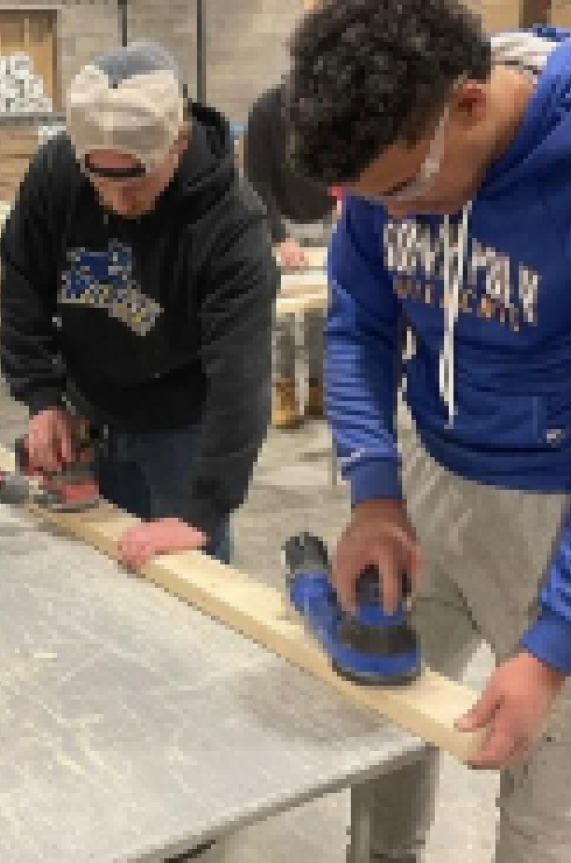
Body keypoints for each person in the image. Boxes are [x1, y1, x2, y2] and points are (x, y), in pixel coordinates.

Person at [285, 3, 571, 861]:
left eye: (404, 190)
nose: (394, 218)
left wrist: (552, 644)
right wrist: (375, 492)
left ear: (472, 105)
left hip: (554, 508)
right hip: (431, 470)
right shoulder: (392, 154)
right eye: (372, 201)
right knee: (384, 723)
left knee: (545, 790)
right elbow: (359, 324)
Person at [0, 42, 278, 583]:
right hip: (90, 413)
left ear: (179, 141)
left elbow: (240, 377)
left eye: (137, 184)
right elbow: (22, 282)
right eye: (100, 183)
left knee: (191, 590)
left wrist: (203, 511)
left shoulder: (232, 225)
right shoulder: (56, 170)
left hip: (183, 431)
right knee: (101, 577)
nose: (118, 203)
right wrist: (41, 397)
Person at [243, 83, 338, 429]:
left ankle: (318, 387)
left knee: (321, 312)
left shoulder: (331, 104)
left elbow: (343, 162)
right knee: (281, 317)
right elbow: (256, 181)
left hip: (326, 217)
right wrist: (278, 236)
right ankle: (283, 390)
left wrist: (345, 202)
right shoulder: (264, 112)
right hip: (280, 221)